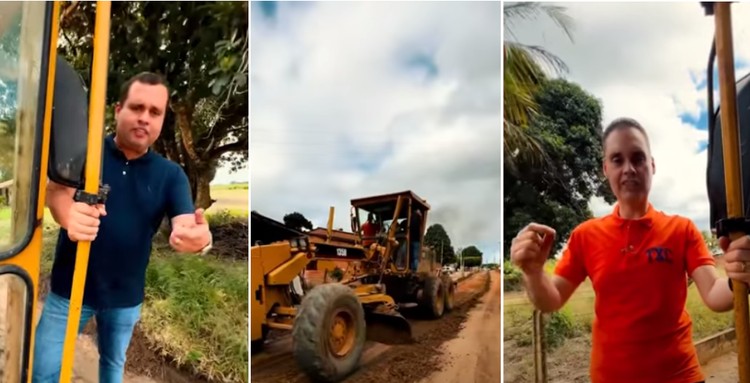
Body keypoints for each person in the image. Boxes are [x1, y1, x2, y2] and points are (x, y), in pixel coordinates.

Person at [510, 117, 750, 383]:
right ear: (605, 168)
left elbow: (715, 296)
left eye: (638, 158)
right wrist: (533, 273)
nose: (629, 169)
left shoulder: (681, 230)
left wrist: (738, 277)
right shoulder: (585, 236)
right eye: (617, 160)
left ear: (652, 165)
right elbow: (551, 299)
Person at [33, 72, 213, 383]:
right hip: (68, 289)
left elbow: (188, 224)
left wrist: (200, 238)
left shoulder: (171, 175)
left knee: (112, 367)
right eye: (137, 107)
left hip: (125, 298)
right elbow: (56, 192)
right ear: (118, 110)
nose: (144, 118)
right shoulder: (85, 153)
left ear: (161, 120)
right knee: (42, 371)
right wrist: (68, 216)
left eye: (154, 112)